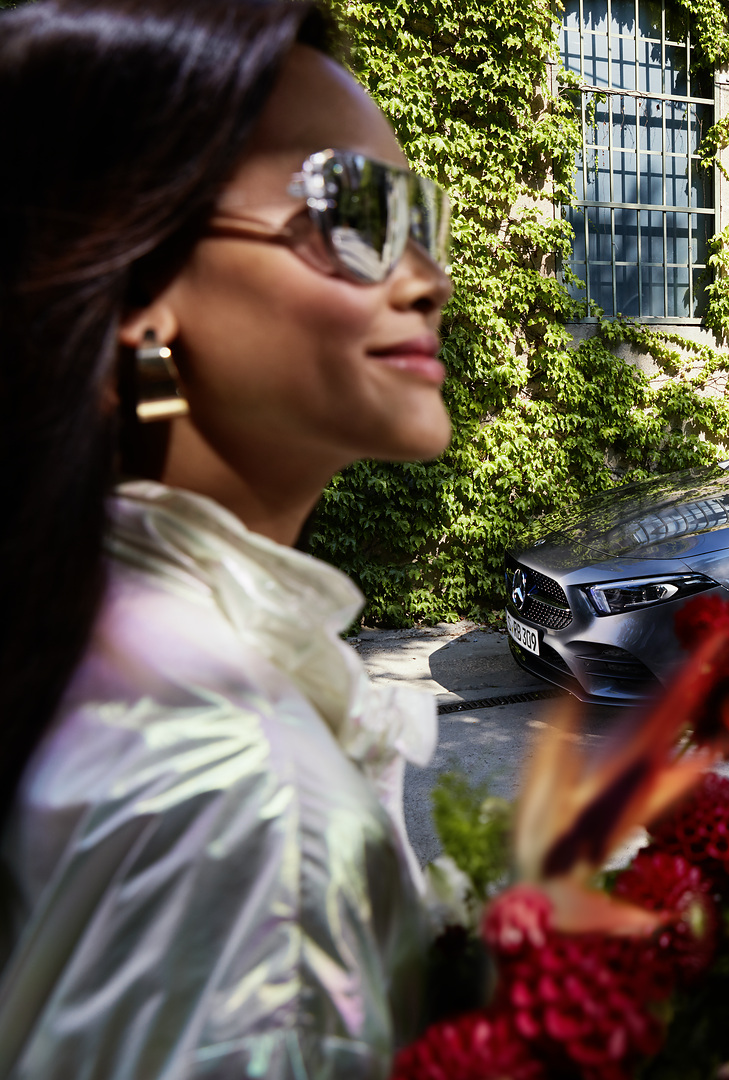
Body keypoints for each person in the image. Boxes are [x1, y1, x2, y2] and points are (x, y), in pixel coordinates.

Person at [0, 0, 456, 1074]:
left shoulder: (73, 618)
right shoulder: (247, 799)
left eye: (421, 219)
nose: (428, 279)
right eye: (351, 211)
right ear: (139, 290)